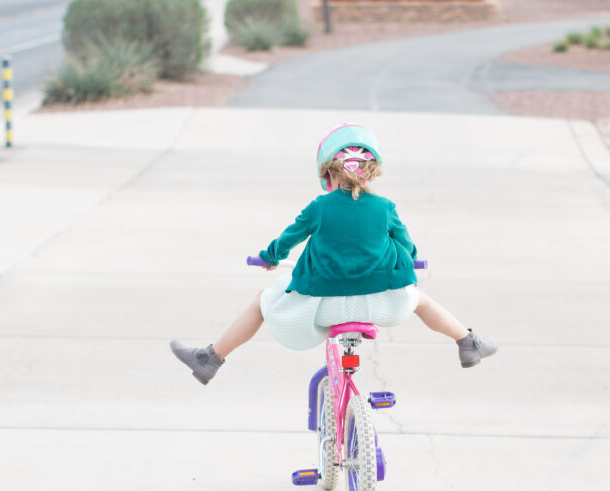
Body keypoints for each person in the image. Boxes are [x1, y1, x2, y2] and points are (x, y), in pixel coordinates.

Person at [170, 124, 496, 385]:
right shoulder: (385, 208)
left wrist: (269, 257)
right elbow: (408, 248)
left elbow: (286, 241)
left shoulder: (319, 207)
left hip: (321, 307)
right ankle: (468, 343)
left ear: (328, 172)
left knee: (260, 301)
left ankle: (209, 359)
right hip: (385, 304)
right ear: (372, 171)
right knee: (421, 300)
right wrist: (409, 258)